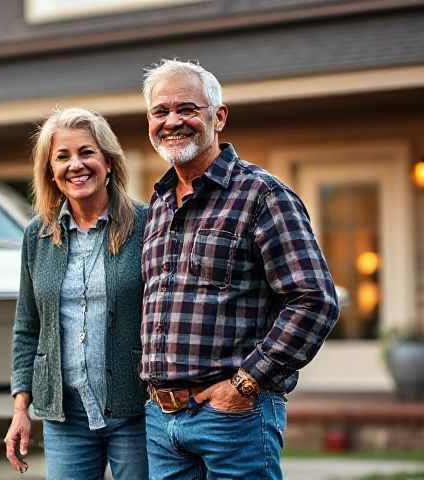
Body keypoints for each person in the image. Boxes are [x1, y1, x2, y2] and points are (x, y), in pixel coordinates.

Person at [139, 59, 339, 479]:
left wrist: (246, 384)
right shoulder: (157, 205)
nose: (172, 121)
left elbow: (314, 300)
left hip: (233, 418)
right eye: (161, 112)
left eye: (186, 108)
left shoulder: (261, 195)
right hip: (162, 422)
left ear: (219, 116)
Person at [6, 107, 148, 479]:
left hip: (135, 409)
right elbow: (27, 327)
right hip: (65, 417)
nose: (76, 165)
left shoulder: (147, 224)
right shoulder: (37, 236)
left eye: (86, 152)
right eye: (62, 157)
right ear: (51, 172)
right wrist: (21, 408)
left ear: (108, 162)